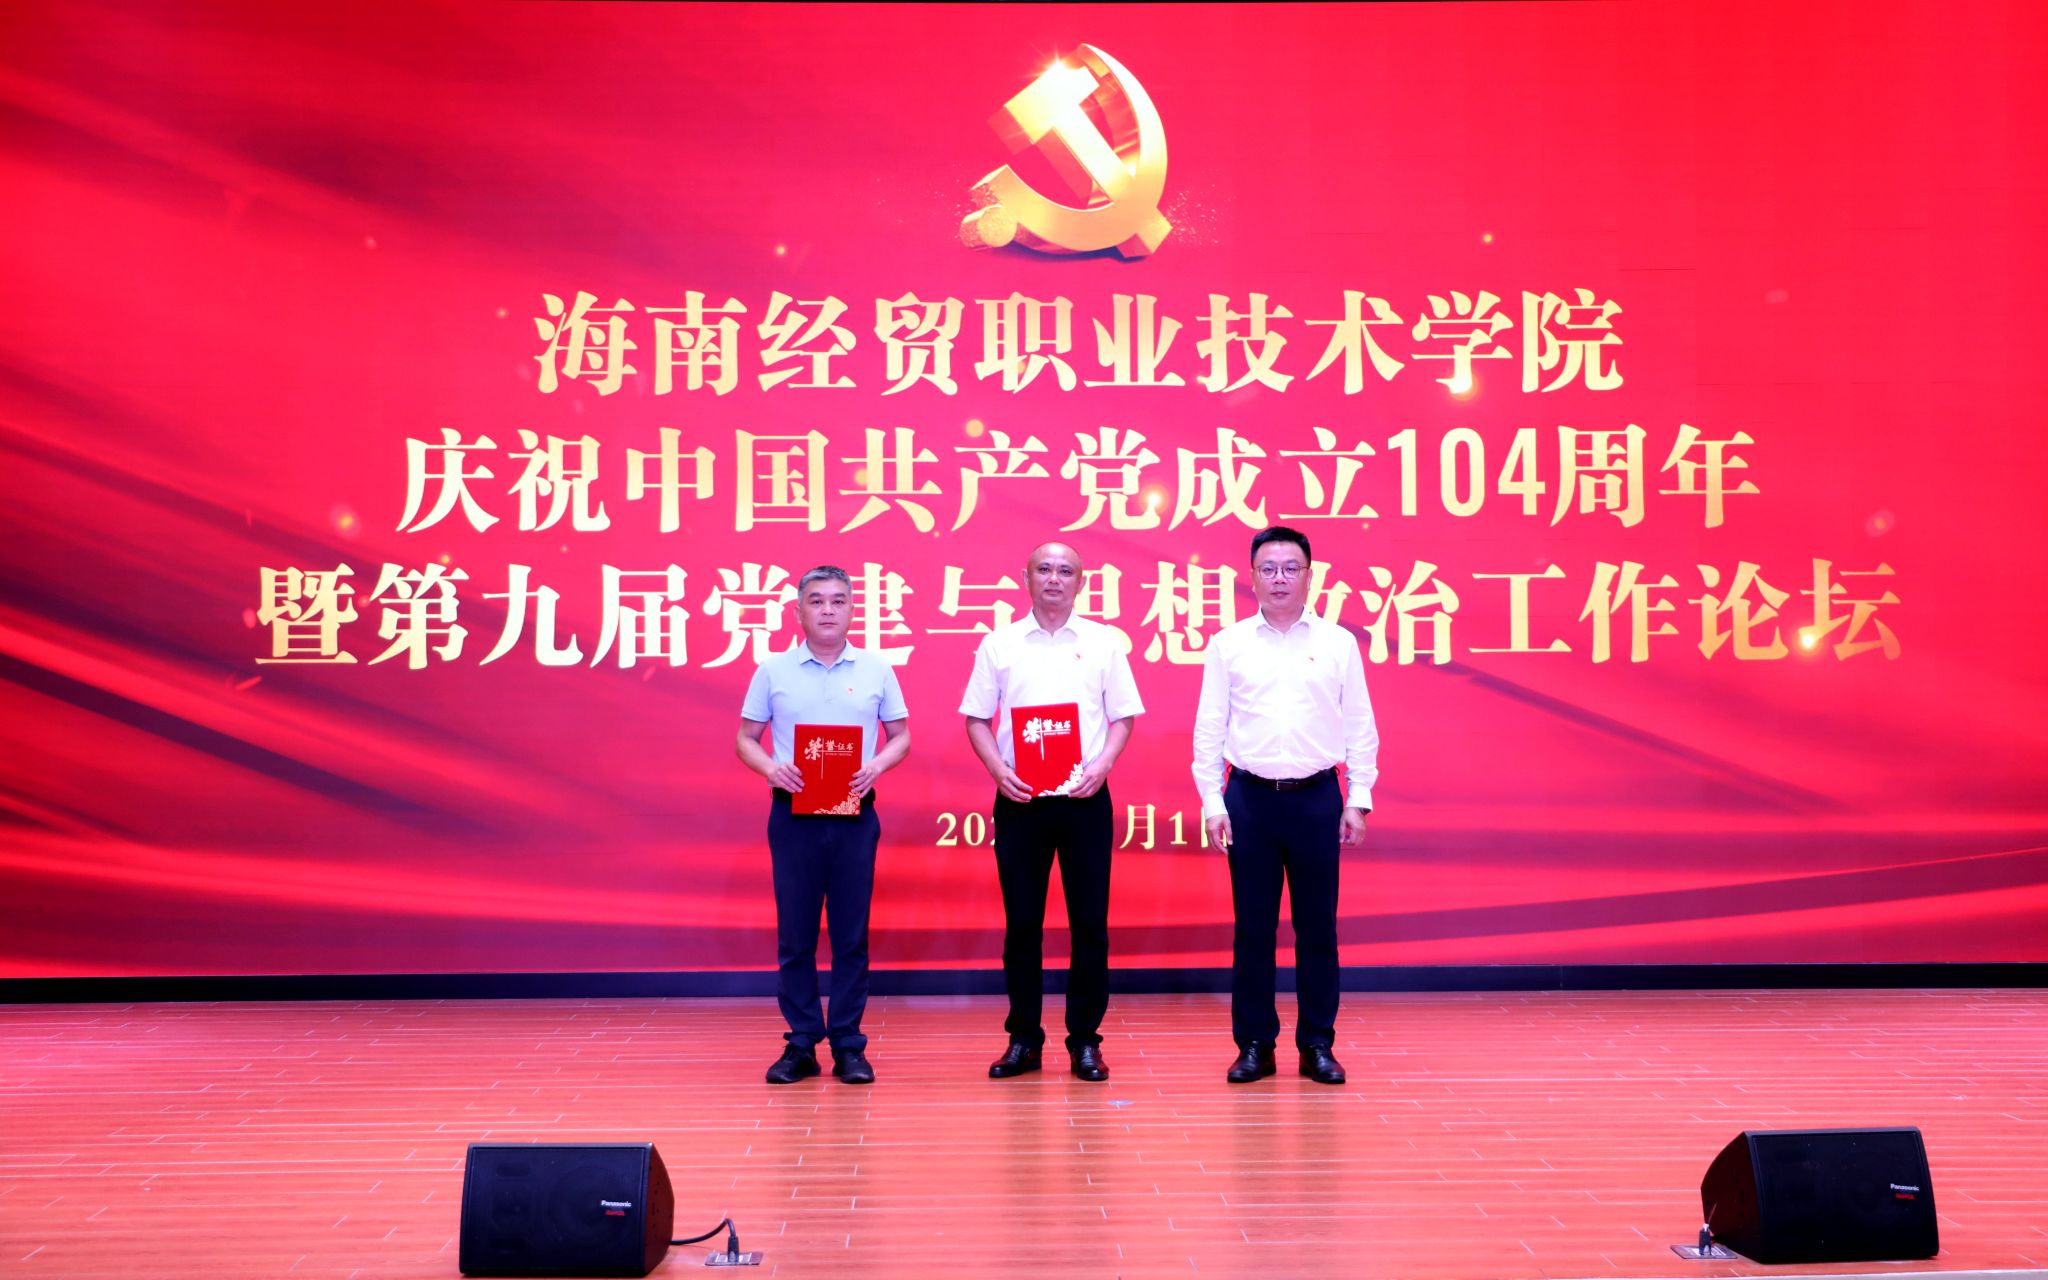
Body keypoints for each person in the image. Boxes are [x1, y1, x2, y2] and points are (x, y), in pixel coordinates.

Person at [1191, 526, 1379, 1086]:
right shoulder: (1229, 644)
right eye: (1268, 568)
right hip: (1249, 798)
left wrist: (1358, 797)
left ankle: (1317, 1044)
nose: (1279, 578)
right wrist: (1212, 800)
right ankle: (1254, 1044)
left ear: (1309, 576)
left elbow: (1359, 724)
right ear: (1251, 577)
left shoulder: (1338, 643)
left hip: (1317, 798)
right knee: (1253, 929)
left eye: (1290, 568)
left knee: (1317, 929)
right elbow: (1210, 727)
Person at [961, 541, 1143, 1081]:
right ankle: (1024, 1039)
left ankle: (1085, 1040)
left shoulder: (1103, 642)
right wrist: (998, 770)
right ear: (1026, 578)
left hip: (1085, 798)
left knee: (1089, 925)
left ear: (1081, 582)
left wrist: (1103, 766)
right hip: (1021, 799)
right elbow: (976, 719)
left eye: (1066, 571)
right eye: (1044, 569)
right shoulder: (999, 644)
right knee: (1022, 925)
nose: (1055, 578)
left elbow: (1123, 717)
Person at [737, 566, 910, 1085]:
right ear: (798, 611)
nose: (828, 610)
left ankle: (849, 1044)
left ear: (853, 609)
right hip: (794, 817)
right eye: (816, 601)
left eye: (838, 600)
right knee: (796, 935)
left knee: (850, 935)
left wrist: (876, 766)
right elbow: (745, 738)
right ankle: (801, 1043)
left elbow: (901, 736)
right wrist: (772, 769)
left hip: (855, 815)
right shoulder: (774, 670)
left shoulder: (877, 668)